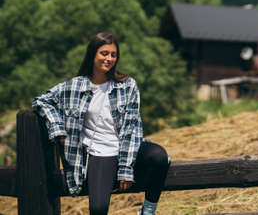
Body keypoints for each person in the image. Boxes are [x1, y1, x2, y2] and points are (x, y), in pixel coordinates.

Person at [32, 32, 170, 215]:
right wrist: (56, 126)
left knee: (159, 157)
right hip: (98, 151)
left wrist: (125, 168)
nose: (109, 58)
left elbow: (131, 128)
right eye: (104, 53)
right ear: (93, 55)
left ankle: (148, 210)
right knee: (98, 209)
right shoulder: (74, 86)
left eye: (113, 55)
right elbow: (41, 101)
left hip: (125, 146)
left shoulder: (127, 85)